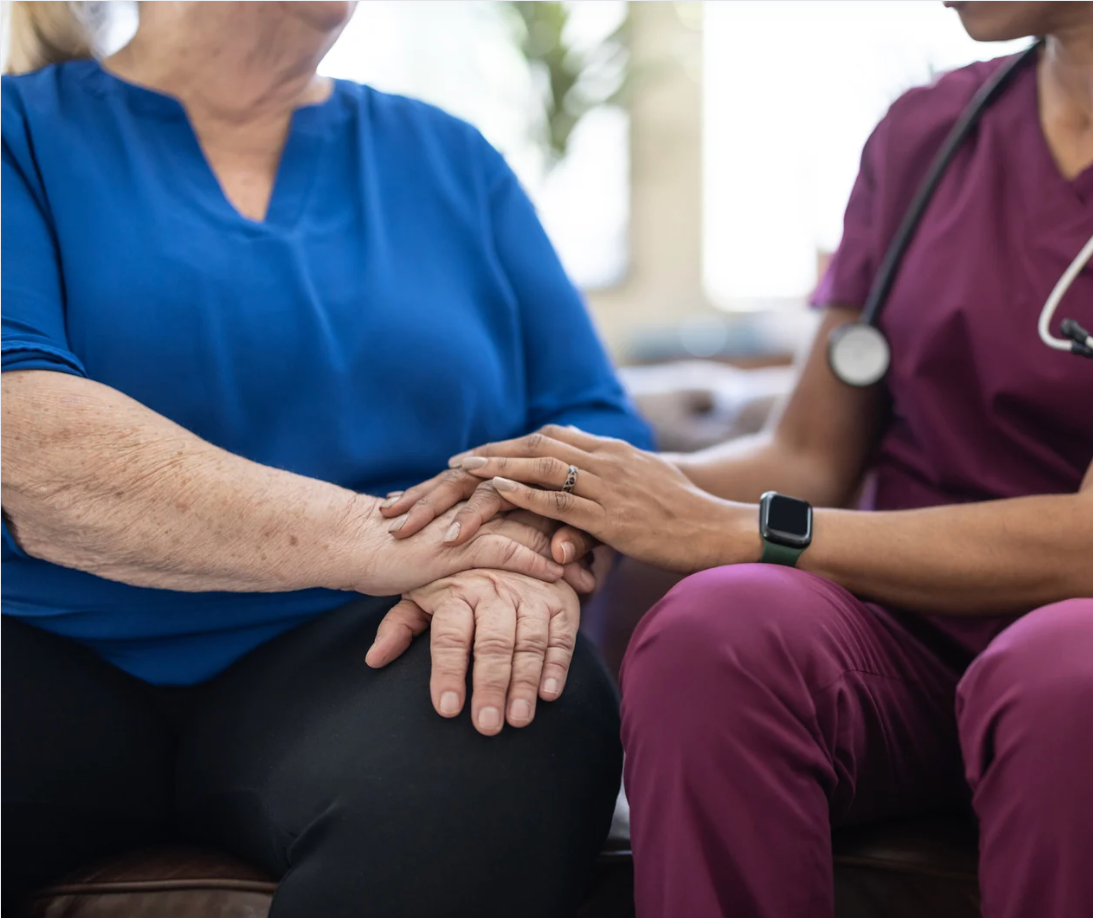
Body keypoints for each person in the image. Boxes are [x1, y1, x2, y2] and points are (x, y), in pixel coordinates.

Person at [383, 2, 1093, 916]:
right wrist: (575, 488)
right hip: (905, 648)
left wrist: (738, 530)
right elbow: (810, 452)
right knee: (714, 628)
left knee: (1071, 669)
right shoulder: (925, 135)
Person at [0, 2, 652, 916]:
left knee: (524, 704)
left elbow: (593, 429)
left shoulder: (452, 161)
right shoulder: (17, 133)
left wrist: (519, 551)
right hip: (40, 647)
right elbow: (22, 434)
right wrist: (391, 539)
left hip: (368, 649)